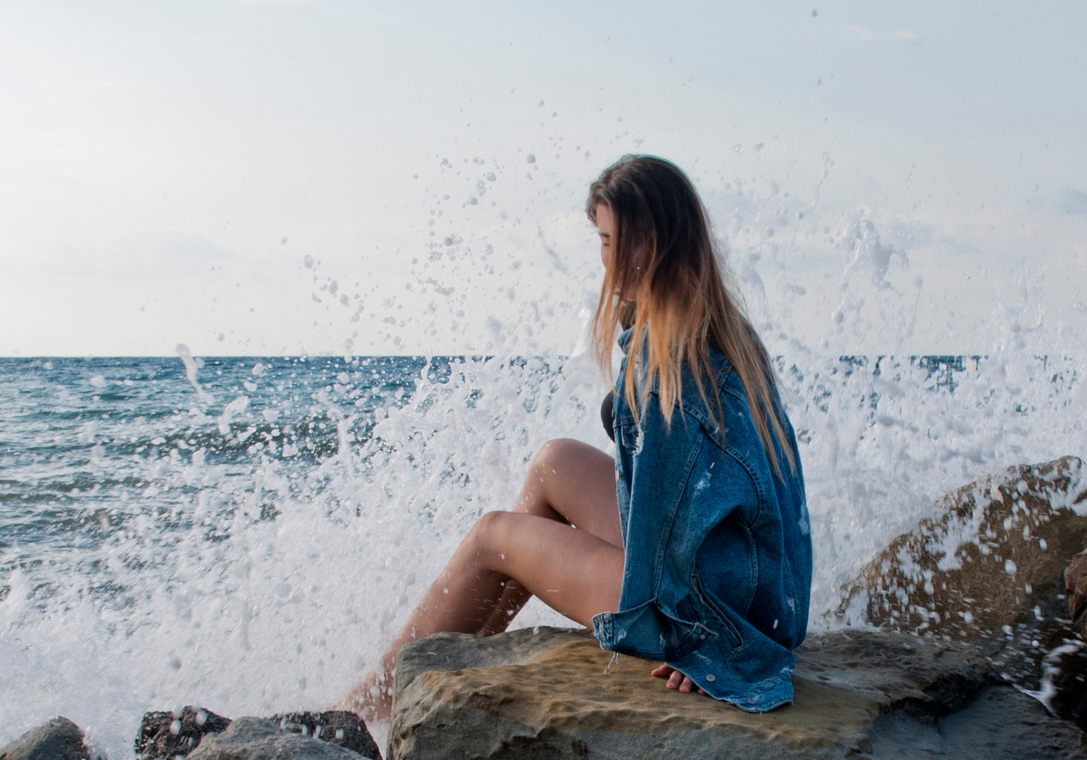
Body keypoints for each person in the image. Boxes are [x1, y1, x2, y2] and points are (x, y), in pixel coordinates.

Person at [347, 154, 812, 730]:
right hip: (755, 592)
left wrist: (711, 646)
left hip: (703, 610)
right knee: (553, 463)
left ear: (654, 245)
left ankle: (366, 706)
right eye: (603, 239)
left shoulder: (670, 360)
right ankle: (450, 666)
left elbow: (684, 515)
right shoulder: (723, 332)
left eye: (613, 239)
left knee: (493, 534)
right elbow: (775, 510)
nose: (606, 258)